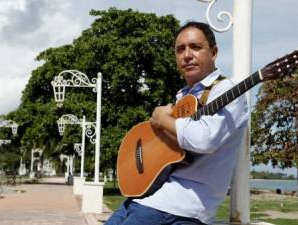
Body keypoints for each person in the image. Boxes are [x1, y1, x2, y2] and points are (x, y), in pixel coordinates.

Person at [105, 21, 249, 225]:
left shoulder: (226, 91)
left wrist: (163, 119)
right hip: (150, 196)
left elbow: (203, 140)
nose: (187, 55)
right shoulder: (184, 96)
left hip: (180, 207)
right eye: (180, 49)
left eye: (196, 47)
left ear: (214, 52)